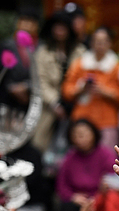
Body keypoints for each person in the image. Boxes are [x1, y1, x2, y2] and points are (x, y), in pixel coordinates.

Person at [61, 27, 119, 148]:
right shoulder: (80, 64)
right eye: (97, 41)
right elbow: (66, 91)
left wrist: (103, 91)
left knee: (108, 159)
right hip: (82, 118)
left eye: (104, 41)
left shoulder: (117, 67)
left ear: (110, 43)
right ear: (91, 43)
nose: (100, 45)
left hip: (107, 120)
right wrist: (81, 88)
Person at [32, 11, 83, 152]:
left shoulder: (80, 51)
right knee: (41, 145)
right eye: (57, 27)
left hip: (76, 105)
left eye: (63, 28)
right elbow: (40, 81)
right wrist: (55, 103)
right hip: (49, 107)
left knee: (77, 145)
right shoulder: (43, 52)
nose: (60, 31)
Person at [54, 119, 116, 211]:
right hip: (76, 201)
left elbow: (113, 182)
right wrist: (73, 197)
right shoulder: (70, 157)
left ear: (94, 134)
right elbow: (61, 184)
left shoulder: (106, 155)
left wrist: (97, 197)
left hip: (98, 201)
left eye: (84, 134)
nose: (80, 139)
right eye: (76, 135)